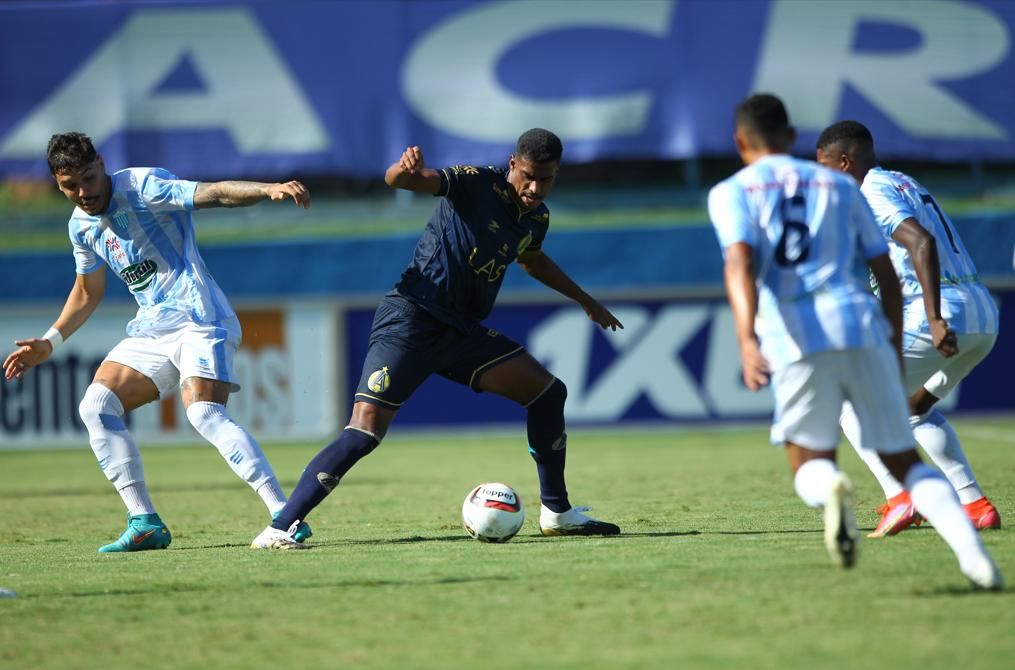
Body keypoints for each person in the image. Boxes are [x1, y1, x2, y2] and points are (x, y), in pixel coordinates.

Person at [252, 128, 623, 549]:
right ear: (513, 164)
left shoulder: (536, 218)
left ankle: (557, 512)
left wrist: (585, 300)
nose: (535, 188)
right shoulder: (475, 182)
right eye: (529, 175)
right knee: (365, 431)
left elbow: (531, 259)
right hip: (412, 319)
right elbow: (405, 181)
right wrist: (402, 171)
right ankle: (279, 528)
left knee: (547, 393)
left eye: (548, 179)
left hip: (461, 332)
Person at [708, 94, 1001, 589]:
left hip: (800, 336)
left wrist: (746, 339)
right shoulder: (841, 186)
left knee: (812, 461)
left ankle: (880, 493)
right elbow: (885, 271)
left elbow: (739, 264)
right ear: (790, 137)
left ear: (740, 142)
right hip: (878, 322)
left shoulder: (732, 192)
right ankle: (976, 553)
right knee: (908, 438)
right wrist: (887, 338)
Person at [2, 132, 313, 552]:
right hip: (152, 329)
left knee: (204, 412)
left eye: (89, 178)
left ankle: (286, 517)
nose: (83, 192)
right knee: (96, 406)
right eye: (69, 186)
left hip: (200, 318)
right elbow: (87, 292)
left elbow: (217, 193)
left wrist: (268, 188)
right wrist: (50, 341)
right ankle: (144, 521)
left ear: (101, 163)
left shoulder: (143, 187)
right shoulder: (81, 226)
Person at [815, 121, 1001, 538]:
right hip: (983, 315)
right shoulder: (903, 181)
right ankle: (975, 505)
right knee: (915, 409)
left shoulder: (869, 191)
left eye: (826, 168)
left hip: (938, 312)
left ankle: (901, 497)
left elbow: (920, 242)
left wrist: (935, 319)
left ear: (845, 162)